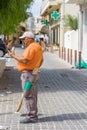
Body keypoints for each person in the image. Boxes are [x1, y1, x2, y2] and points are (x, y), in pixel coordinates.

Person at [8, 31, 43, 123]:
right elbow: (41, 60)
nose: (23, 41)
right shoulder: (37, 47)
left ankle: (32, 117)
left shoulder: (31, 47)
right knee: (32, 95)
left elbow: (25, 60)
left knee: (28, 95)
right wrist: (36, 68)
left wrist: (13, 56)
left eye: (24, 39)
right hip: (33, 73)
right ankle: (33, 114)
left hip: (28, 74)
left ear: (30, 39)